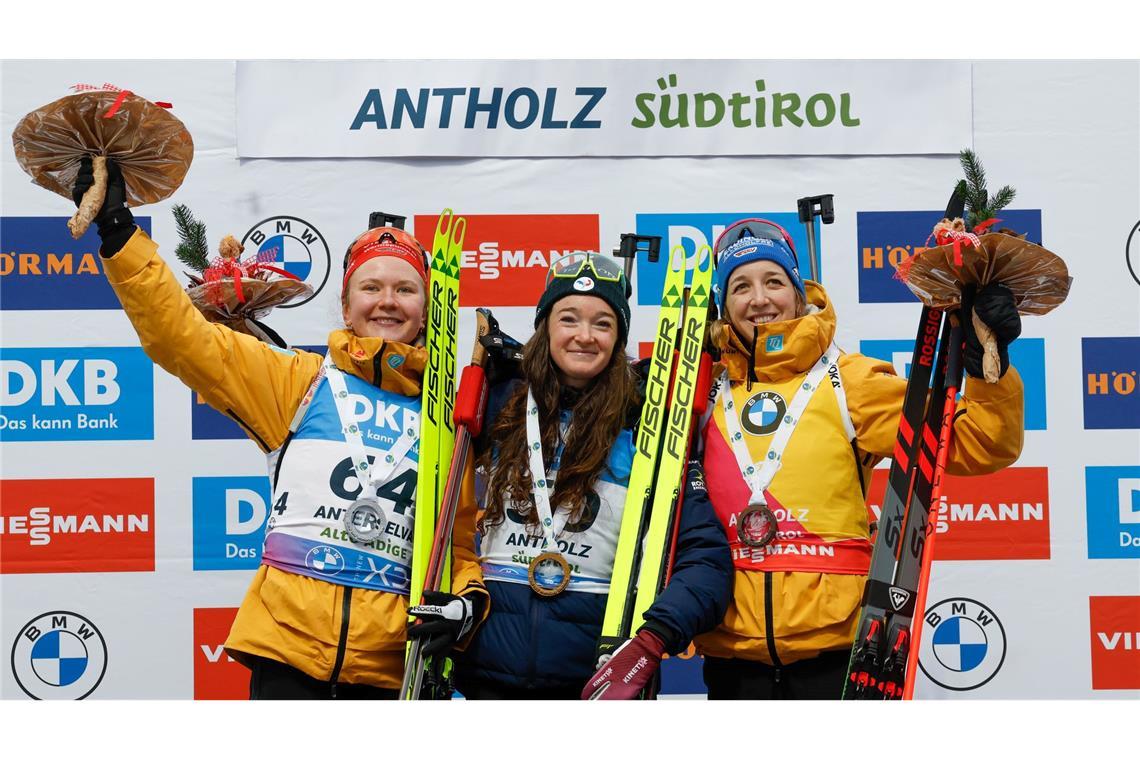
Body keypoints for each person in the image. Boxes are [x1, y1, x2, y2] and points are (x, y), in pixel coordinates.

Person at [73, 157, 487, 699]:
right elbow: (181, 337)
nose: (387, 301)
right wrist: (118, 231)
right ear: (345, 303)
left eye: (406, 289)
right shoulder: (297, 381)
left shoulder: (444, 419)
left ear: (427, 306)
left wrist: (466, 603)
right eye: (371, 286)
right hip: (287, 659)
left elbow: (456, 549)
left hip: (391, 669)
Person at [694, 218, 1025, 699]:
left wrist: (988, 366)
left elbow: (980, 442)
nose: (759, 299)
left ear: (799, 292)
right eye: (740, 286)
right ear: (724, 305)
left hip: (838, 656)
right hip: (730, 658)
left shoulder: (847, 380)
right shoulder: (702, 393)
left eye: (773, 281)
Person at [450, 252, 733, 699]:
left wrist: (650, 641)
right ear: (545, 326)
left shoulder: (647, 427)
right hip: (483, 676)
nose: (585, 336)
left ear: (619, 337)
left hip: (596, 680)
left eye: (602, 323)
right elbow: (440, 520)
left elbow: (705, 560)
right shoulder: (496, 407)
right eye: (569, 319)